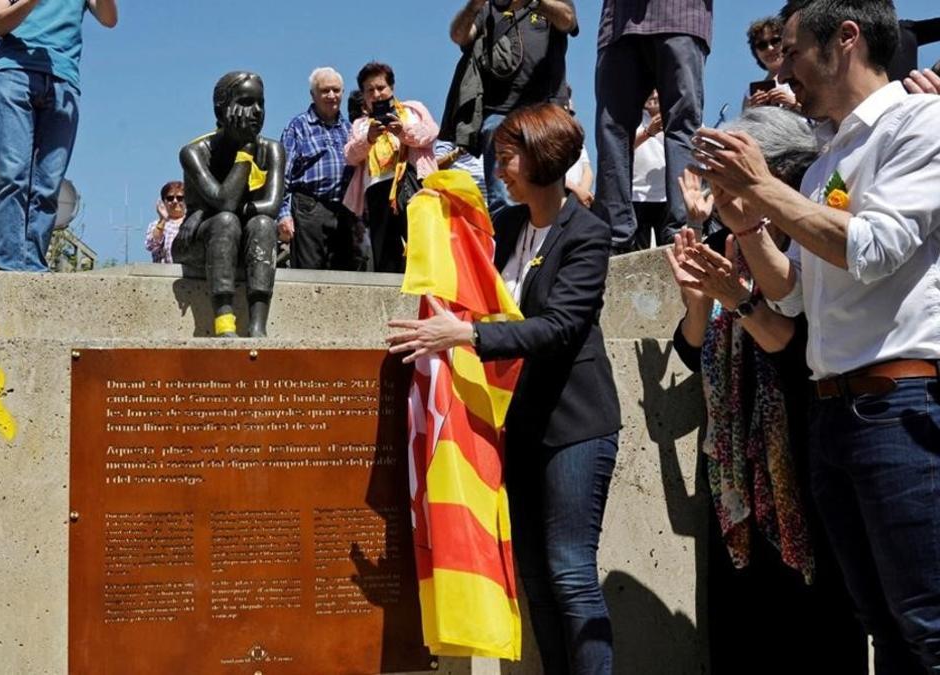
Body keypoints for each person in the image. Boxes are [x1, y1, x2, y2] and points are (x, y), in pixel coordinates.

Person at [693, 1, 940, 670]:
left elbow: (875, 246)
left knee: (928, 624)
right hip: (836, 416)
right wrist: (746, 221)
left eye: (794, 48)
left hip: (900, 407)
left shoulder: (920, 123)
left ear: (848, 40)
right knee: (885, 629)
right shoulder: (830, 154)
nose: (783, 66)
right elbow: (792, 291)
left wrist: (767, 190)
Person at [388, 104, 620, 675]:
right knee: (536, 579)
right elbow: (464, 264)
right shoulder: (508, 226)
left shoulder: (588, 233)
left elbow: (560, 327)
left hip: (574, 424)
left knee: (569, 570)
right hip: (515, 424)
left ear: (543, 157)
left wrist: (464, 334)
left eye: (509, 156)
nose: (500, 168)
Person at [667, 106, 866, 675]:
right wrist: (700, 302)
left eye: (728, 174)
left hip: (798, 462)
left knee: (811, 622)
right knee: (742, 626)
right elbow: (692, 351)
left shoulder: (815, 236)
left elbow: (790, 342)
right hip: (736, 473)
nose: (717, 189)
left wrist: (739, 301)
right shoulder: (728, 241)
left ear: (772, 173)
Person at [0, 0, 118, 272]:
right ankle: (10, 266)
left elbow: (108, 18)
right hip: (16, 73)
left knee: (48, 183)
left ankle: (33, 264)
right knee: (12, 174)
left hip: (64, 79)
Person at [172, 72, 286, 338]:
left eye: (261, 103)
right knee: (225, 221)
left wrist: (206, 211)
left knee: (261, 224)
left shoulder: (272, 149)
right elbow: (226, 201)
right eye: (246, 102)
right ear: (221, 110)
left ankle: (257, 325)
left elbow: (271, 206)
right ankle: (224, 320)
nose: (256, 111)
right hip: (200, 240)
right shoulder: (195, 152)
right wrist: (245, 150)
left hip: (246, 234)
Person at [593, 0, 712, 254]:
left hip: (679, 16)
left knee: (679, 125)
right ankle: (616, 236)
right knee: (613, 130)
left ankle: (683, 231)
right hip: (620, 24)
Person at [449, 0, 578, 218]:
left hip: (547, 106)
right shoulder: (488, 7)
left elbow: (568, 21)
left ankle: (553, 241)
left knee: (551, 184)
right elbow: (460, 36)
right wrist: (474, 6)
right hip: (499, 111)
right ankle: (508, 241)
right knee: (504, 189)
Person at [343, 62, 438, 274]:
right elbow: (349, 156)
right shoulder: (360, 124)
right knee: (385, 253)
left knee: (421, 246)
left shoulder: (413, 110)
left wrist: (402, 132)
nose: (376, 94)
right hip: (377, 189)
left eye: (381, 88)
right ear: (364, 95)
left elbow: (430, 133)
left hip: (413, 183)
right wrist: (368, 139)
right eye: (370, 90)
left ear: (391, 88)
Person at [277, 67, 356, 271]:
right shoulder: (298, 127)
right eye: (325, 91)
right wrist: (283, 214)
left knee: (345, 277)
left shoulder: (350, 129)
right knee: (309, 276)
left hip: (344, 213)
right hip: (309, 210)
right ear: (313, 95)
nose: (332, 96)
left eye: (336, 90)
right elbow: (281, 175)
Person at [631, 90, 668, 250]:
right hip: (636, 195)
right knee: (639, 255)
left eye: (656, 89)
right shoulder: (630, 116)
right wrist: (648, 132)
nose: (652, 95)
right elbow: (621, 146)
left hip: (668, 196)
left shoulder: (677, 114)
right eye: (648, 89)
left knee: (671, 250)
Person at [743, 16, 798, 109]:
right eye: (762, 45)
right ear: (756, 53)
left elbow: (826, 116)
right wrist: (751, 112)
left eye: (775, 41)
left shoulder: (805, 78)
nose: (770, 48)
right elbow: (744, 123)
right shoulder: (750, 94)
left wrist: (794, 104)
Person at [145, 180, 185, 264]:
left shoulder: (193, 223)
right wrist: (163, 219)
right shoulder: (155, 225)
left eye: (180, 198)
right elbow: (151, 245)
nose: (175, 201)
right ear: (164, 201)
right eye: (170, 198)